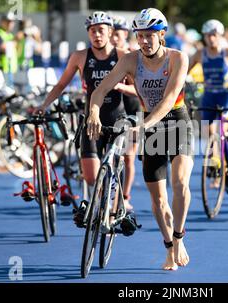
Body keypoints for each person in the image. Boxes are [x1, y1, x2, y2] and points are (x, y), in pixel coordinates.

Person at [87, 8, 193, 271]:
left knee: (180, 183)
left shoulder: (178, 58)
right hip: (150, 125)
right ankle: (168, 245)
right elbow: (99, 90)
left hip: (176, 121)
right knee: (158, 199)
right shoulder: (131, 60)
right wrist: (93, 112)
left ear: (162, 35)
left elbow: (169, 100)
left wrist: (142, 125)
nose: (144, 41)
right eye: (140, 36)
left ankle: (179, 238)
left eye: (149, 36)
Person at [35, 12, 136, 211]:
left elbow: (137, 90)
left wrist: (120, 87)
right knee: (91, 177)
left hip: (117, 118)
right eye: (93, 31)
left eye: (101, 31)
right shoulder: (80, 57)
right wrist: (43, 105)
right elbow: (61, 85)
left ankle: (113, 212)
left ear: (110, 32)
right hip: (92, 120)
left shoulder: (123, 56)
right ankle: (100, 206)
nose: (97, 35)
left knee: (116, 168)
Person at [188, 19, 228, 171]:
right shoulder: (199, 54)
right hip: (208, 95)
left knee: (222, 131)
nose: (211, 39)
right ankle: (215, 167)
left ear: (220, 35)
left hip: (225, 96)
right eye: (207, 35)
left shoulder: (227, 51)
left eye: (214, 35)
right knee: (208, 133)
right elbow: (184, 71)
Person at [110, 15, 140, 211]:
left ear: (125, 35)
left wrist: (119, 86)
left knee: (128, 157)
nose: (113, 39)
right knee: (114, 157)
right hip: (115, 111)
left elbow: (139, 89)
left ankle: (125, 196)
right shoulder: (107, 57)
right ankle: (110, 194)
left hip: (133, 109)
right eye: (111, 35)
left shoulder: (131, 56)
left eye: (117, 35)